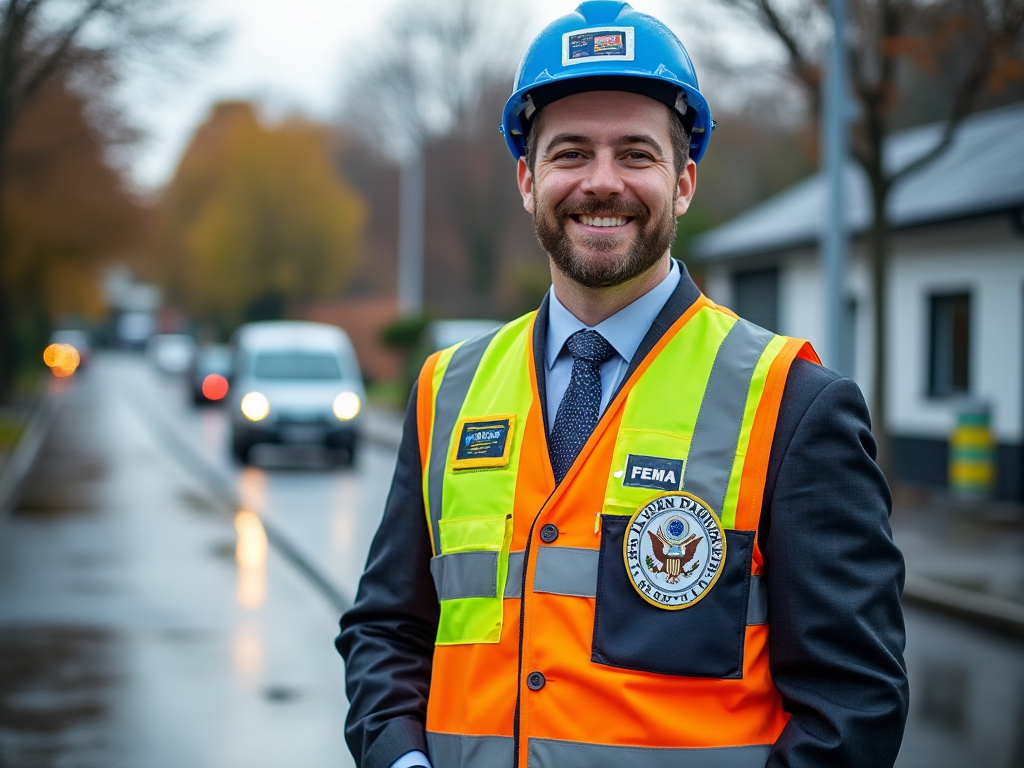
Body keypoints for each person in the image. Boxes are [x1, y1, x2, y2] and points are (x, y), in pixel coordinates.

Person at [336, 2, 909, 767]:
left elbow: (854, 704)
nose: (602, 183)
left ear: (684, 183)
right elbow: (386, 630)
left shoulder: (793, 404)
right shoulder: (447, 390)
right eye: (571, 152)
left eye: (636, 154)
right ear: (527, 178)